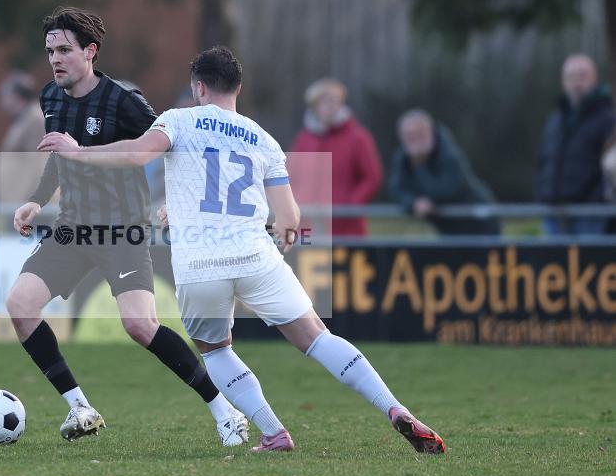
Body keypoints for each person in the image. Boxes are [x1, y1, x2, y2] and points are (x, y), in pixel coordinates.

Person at [40, 46, 445, 454]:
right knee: (317, 338)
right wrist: (281, 238)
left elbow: (136, 154)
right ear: (238, 87)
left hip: (200, 264)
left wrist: (78, 152)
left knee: (215, 351)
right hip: (256, 257)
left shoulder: (178, 120)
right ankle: (394, 408)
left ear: (198, 86)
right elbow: (288, 218)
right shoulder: (264, 139)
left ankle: (274, 432)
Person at [7, 6, 247, 445]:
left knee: (139, 325)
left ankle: (225, 410)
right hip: (74, 226)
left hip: (121, 230)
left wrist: (179, 203)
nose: (55, 59)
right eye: (50, 51)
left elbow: (172, 151)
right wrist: (34, 201)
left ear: (90, 52)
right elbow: (58, 159)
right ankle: (80, 407)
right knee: (21, 305)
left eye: (64, 50)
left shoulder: (124, 102)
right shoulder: (51, 97)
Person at [287, 78, 383, 237]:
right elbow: (290, 177)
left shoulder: (358, 137)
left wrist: (350, 205)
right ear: (315, 106)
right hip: (306, 224)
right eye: (323, 101)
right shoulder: (304, 139)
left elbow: (372, 177)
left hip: (344, 225)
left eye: (334, 101)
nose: (329, 106)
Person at [388, 109, 500, 235]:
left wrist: (420, 166)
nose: (415, 141)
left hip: (478, 221)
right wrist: (414, 203)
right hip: (448, 228)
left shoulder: (448, 155)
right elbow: (397, 190)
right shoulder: (402, 158)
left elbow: (448, 189)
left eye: (419, 134)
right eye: (410, 136)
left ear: (430, 132)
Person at [537, 54, 615, 236]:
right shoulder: (554, 121)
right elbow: (543, 162)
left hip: (590, 217)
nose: (576, 83)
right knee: (553, 263)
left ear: (595, 79)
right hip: (553, 215)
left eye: (582, 76)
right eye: (571, 77)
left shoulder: (608, 121)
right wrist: (543, 196)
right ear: (563, 82)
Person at [0, 71, 47, 201]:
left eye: (4, 94)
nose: (1, 99)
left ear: (16, 96)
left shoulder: (34, 120)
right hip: (17, 199)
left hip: (27, 203)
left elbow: (37, 164)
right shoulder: (23, 119)